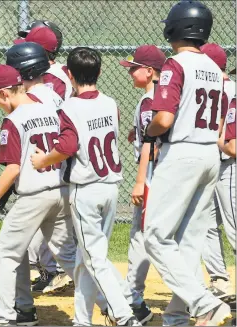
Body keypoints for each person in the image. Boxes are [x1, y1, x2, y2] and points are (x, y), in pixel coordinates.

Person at [31, 47, 142, 326]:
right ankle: (82, 320)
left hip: (86, 190)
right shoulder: (110, 103)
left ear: (69, 75)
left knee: (95, 260)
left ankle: (124, 313)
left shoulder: (70, 107)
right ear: (100, 72)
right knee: (85, 258)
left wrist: (42, 158)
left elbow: (67, 147)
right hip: (110, 187)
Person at [143, 1, 232, 325]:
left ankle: (201, 302)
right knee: (188, 243)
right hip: (210, 153)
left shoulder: (175, 63)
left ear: (175, 28)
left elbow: (164, 119)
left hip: (182, 154)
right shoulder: (214, 67)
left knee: (155, 236)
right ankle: (178, 317)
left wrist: (148, 131)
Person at [0, 65, 77, 326]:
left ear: (6, 93)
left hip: (34, 195)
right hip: (61, 192)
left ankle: (8, 316)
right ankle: (112, 306)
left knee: (6, 253)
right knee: (69, 257)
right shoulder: (52, 108)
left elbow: (14, 167)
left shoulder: (14, 120)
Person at [119, 45, 165, 322]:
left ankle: (133, 300)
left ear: (149, 72)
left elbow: (153, 144)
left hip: (153, 175)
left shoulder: (150, 100)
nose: (130, 72)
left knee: (140, 236)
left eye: (134, 68)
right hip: (168, 174)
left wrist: (140, 181)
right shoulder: (163, 95)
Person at [200, 43, 236, 303]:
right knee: (205, 223)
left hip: (229, 164)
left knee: (234, 226)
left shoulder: (231, 90)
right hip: (208, 164)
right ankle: (219, 280)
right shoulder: (207, 87)